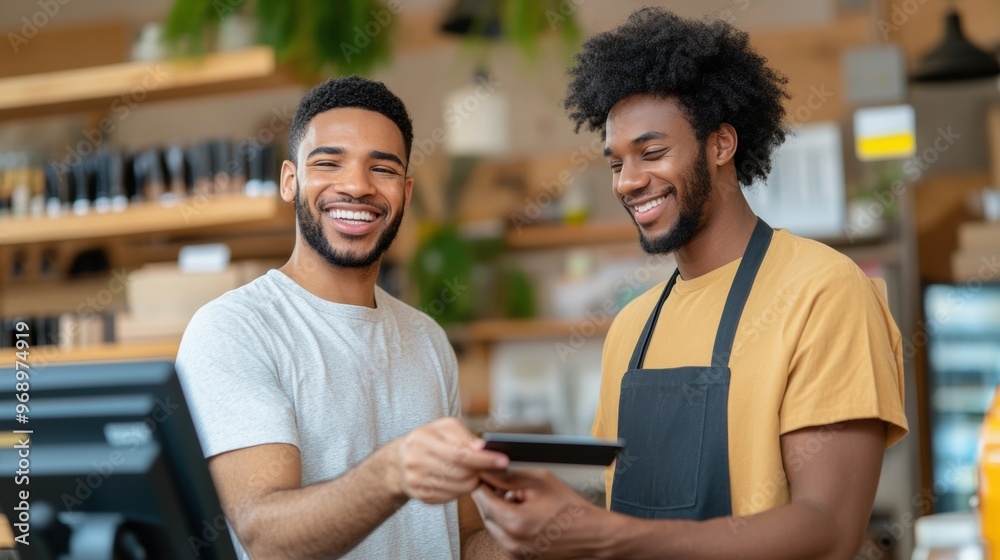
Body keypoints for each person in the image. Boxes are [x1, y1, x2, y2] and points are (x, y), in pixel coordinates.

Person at [472, 8, 908, 559]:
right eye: (615, 163)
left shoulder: (823, 292)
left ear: (720, 145)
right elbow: (622, 519)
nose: (629, 181)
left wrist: (611, 536)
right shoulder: (630, 330)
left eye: (652, 153)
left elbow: (828, 531)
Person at [176, 76, 509, 559]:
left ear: (406, 192)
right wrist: (393, 471)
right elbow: (267, 538)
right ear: (290, 181)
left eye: (383, 169)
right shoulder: (234, 330)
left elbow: (463, 540)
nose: (356, 186)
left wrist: (542, 536)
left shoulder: (427, 338)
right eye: (329, 163)